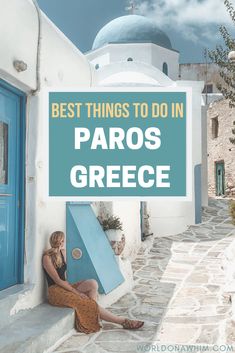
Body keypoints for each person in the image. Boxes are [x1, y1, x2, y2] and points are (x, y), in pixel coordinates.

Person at [42, 231, 144, 333]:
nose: (62, 243)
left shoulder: (63, 252)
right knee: (86, 301)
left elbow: (64, 277)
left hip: (65, 286)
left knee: (93, 283)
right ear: (54, 241)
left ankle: (94, 312)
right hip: (55, 291)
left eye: (63, 240)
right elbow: (58, 281)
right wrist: (77, 293)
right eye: (61, 240)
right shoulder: (47, 258)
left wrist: (73, 289)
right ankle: (122, 321)